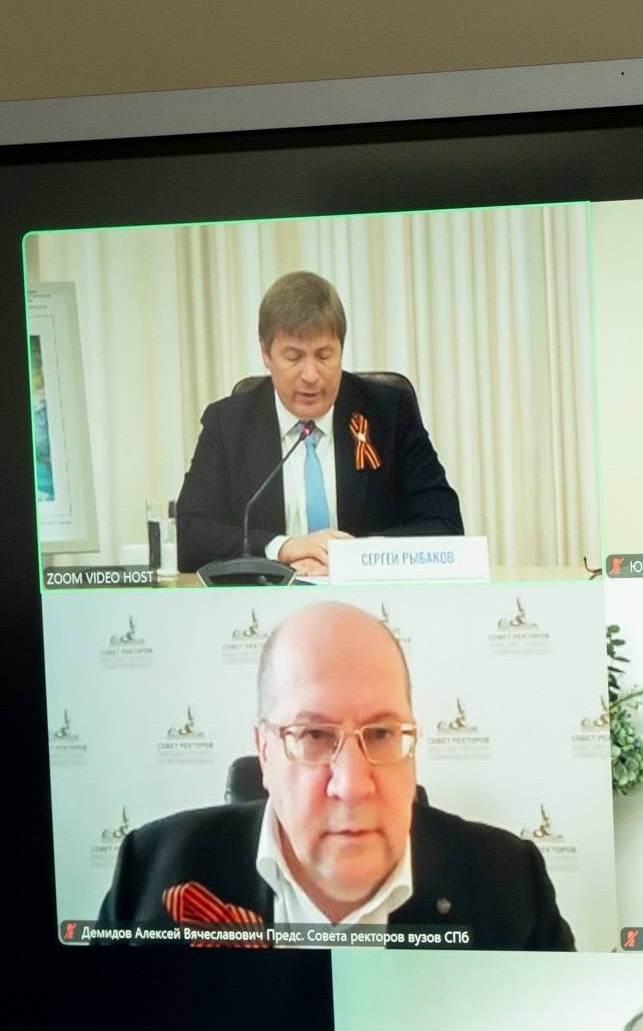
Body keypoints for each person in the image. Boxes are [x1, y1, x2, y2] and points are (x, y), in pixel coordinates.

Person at [96, 601, 574, 948]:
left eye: (382, 734)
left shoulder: (510, 885)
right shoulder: (153, 871)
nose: (352, 785)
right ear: (265, 753)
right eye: (313, 735)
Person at [173, 271, 464, 575]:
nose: (310, 375)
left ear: (341, 350)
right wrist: (282, 548)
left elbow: (445, 525)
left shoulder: (389, 413)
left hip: (368, 597)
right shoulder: (228, 423)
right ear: (265, 353)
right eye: (293, 357)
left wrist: (353, 557)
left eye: (324, 356)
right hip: (267, 597)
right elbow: (187, 535)